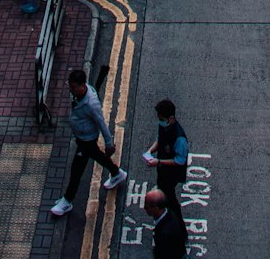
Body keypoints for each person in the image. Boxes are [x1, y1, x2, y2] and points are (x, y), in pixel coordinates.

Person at [50, 69, 127, 216]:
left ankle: (67, 201)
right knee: (97, 156)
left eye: (73, 87)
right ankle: (117, 173)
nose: (70, 90)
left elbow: (101, 123)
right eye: (70, 86)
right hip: (82, 137)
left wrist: (109, 143)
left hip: (87, 139)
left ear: (82, 85)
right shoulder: (78, 95)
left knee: (76, 170)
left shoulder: (91, 104)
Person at [145, 98, 189, 201]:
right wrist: (150, 151)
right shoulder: (164, 126)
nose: (160, 122)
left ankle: (173, 215)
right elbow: (159, 139)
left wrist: (159, 162)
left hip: (171, 173)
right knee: (162, 189)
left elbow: (179, 161)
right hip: (162, 168)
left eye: (162, 120)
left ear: (171, 118)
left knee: (169, 196)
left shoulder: (179, 139)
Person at [144, 188, 187, 259]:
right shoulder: (170, 213)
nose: (144, 208)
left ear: (156, 209)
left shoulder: (164, 234)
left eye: (147, 206)